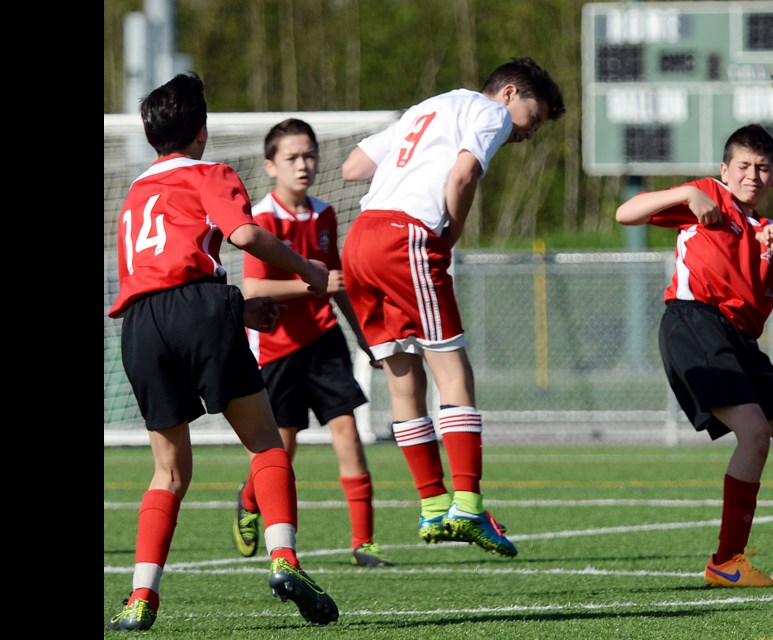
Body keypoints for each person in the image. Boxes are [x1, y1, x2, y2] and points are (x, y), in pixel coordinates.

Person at [106, 73, 339, 631]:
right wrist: (307, 269)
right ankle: (284, 561)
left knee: (168, 472)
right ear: (202, 131)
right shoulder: (210, 172)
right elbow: (243, 236)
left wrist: (234, 310)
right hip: (199, 308)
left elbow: (161, 278)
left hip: (138, 324)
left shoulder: (137, 192)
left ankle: (142, 597)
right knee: (265, 442)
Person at [339, 57, 565, 558]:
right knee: (453, 371)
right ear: (509, 93)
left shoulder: (427, 108)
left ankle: (433, 506)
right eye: (535, 116)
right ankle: (467, 503)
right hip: (407, 238)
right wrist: (451, 234)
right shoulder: (490, 112)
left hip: (358, 242)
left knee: (403, 378)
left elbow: (352, 167)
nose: (528, 133)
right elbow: (461, 177)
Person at [615, 124, 773, 588]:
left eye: (762, 168)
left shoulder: (768, 235)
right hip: (694, 322)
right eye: (743, 166)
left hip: (741, 341)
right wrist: (687, 193)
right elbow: (626, 213)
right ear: (724, 170)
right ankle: (726, 560)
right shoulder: (707, 196)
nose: (752, 175)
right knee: (755, 433)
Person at [231, 118, 391, 568]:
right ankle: (248, 500)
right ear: (270, 166)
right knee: (281, 448)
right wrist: (311, 284)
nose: (303, 164)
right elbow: (255, 288)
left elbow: (337, 283)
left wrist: (365, 339)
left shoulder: (323, 214)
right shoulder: (260, 219)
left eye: (309, 155)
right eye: (292, 157)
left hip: (323, 339)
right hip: (277, 346)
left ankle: (364, 543)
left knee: (348, 434)